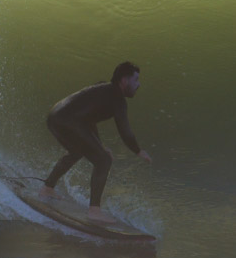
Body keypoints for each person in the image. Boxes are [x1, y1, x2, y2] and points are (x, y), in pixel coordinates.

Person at [40, 61, 153, 224]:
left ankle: (47, 188)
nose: (139, 85)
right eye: (135, 80)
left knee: (77, 151)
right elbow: (125, 130)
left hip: (55, 117)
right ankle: (94, 211)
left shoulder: (103, 88)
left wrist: (99, 146)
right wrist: (138, 150)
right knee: (103, 161)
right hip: (68, 121)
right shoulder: (118, 99)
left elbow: (88, 119)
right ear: (124, 80)